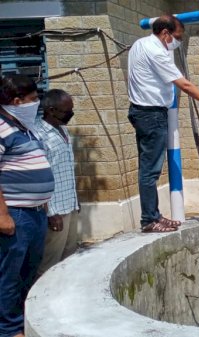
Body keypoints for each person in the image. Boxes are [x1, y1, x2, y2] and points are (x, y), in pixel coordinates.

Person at [127, 15, 199, 233]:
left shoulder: (139, 44)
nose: (178, 41)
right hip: (151, 114)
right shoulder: (157, 52)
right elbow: (186, 85)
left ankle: (154, 214)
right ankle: (149, 218)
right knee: (150, 171)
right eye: (177, 37)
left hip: (143, 112)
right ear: (165, 33)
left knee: (149, 168)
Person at [0, 74, 55, 337]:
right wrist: (2, 216)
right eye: (33, 100)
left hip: (34, 213)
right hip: (15, 214)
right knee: (9, 275)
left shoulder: (24, 126)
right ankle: (9, 329)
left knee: (28, 270)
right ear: (17, 100)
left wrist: (43, 204)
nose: (37, 104)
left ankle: (20, 320)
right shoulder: (1, 127)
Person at [36, 89, 79, 276]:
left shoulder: (63, 130)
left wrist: (76, 202)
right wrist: (50, 212)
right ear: (51, 110)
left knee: (70, 258)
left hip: (69, 204)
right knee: (49, 263)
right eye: (66, 110)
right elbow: (40, 177)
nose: (70, 113)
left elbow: (66, 169)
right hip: (55, 211)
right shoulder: (39, 136)